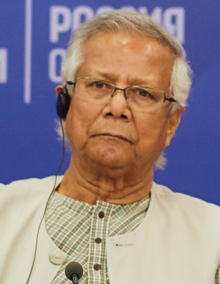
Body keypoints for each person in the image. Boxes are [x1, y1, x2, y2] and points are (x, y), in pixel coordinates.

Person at [1, 9, 220, 284]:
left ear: (171, 123)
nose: (117, 107)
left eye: (143, 93)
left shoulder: (213, 241)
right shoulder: (4, 213)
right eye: (99, 85)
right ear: (65, 104)